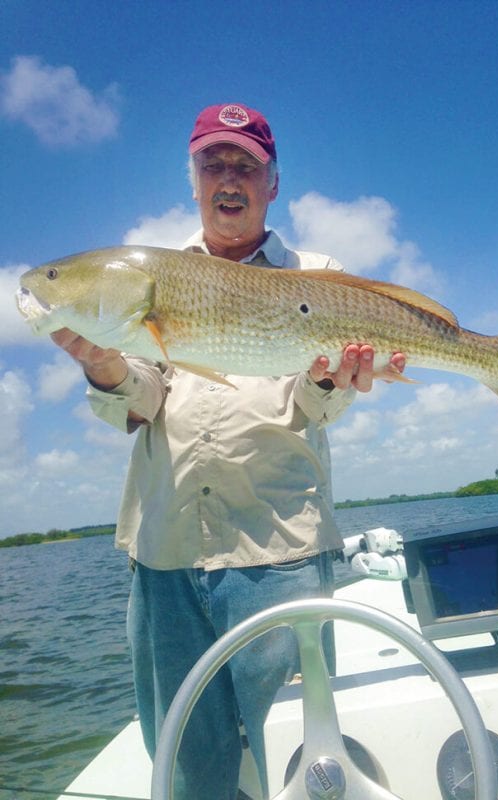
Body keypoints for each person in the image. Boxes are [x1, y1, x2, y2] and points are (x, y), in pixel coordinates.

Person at [51, 102, 405, 799]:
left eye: (246, 164)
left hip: (282, 555)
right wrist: (103, 366)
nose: (229, 178)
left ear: (274, 183)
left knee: (310, 765)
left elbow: (317, 407)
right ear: (193, 180)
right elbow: (144, 397)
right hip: (165, 555)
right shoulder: (146, 276)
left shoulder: (317, 274)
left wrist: (334, 381)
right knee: (187, 768)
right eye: (213, 163)